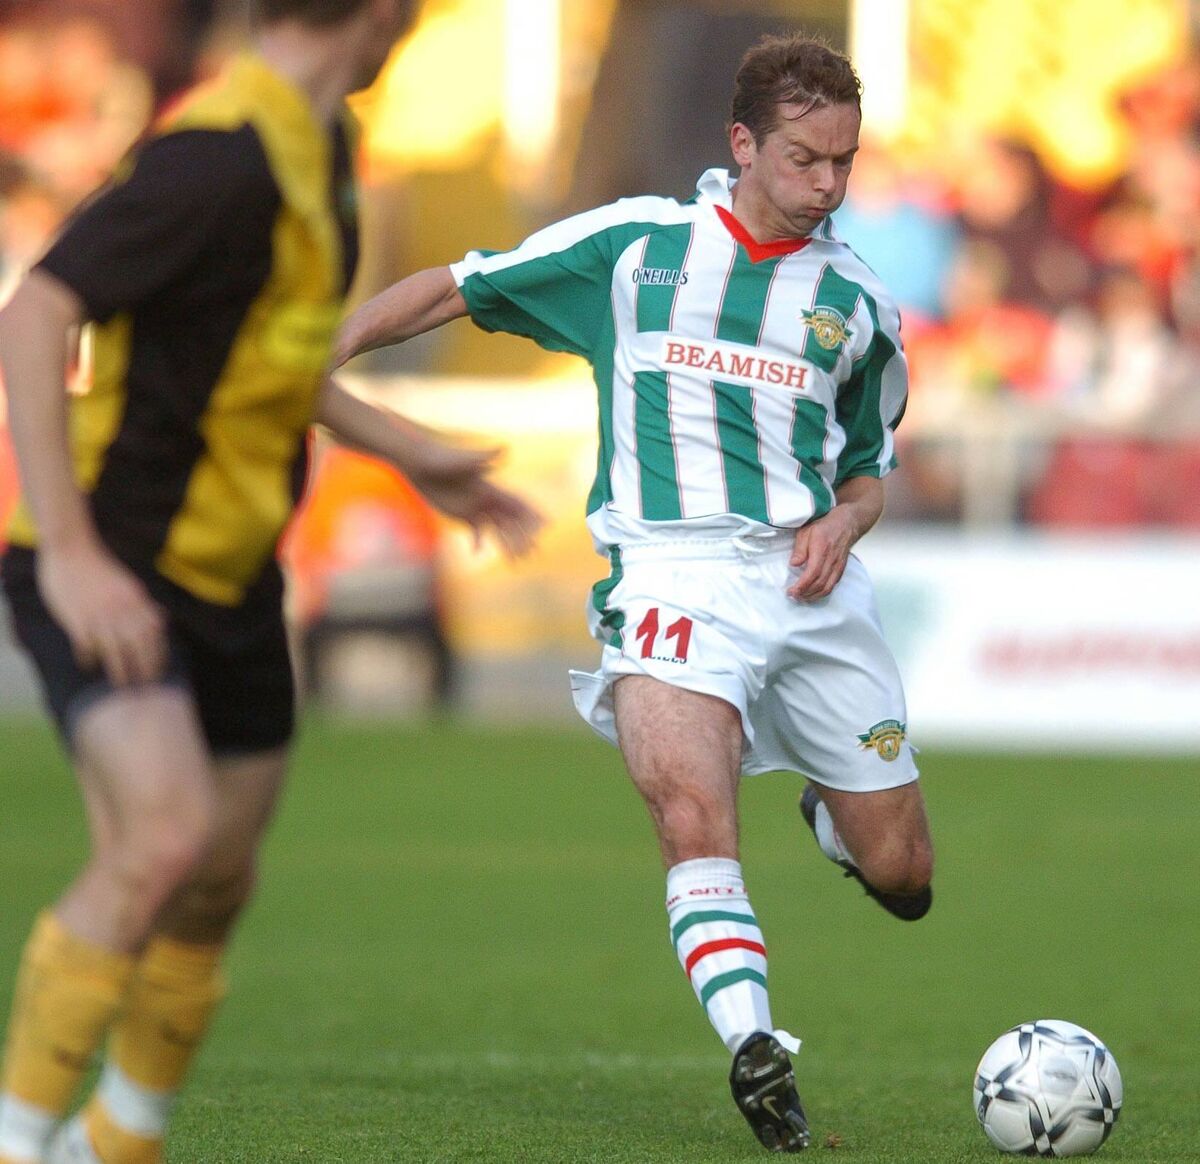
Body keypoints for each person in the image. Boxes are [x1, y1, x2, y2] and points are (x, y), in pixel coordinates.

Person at [334, 31, 934, 1154]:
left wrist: (846, 524)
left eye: (845, 163)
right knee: (689, 813)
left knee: (905, 878)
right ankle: (754, 1047)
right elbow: (456, 288)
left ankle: (834, 815)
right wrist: (321, 354)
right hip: (669, 575)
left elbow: (868, 470)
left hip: (809, 593)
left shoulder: (857, 308)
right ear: (743, 143)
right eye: (805, 159)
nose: (827, 186)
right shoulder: (634, 248)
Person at [0, 3, 540, 1162]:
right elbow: (37, 309)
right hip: (116, 554)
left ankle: (112, 1145)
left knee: (216, 881)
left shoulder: (324, 145)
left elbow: (269, 357)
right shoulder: (221, 156)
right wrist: (76, 553)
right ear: (382, 16)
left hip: (232, 573)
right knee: (163, 841)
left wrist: (412, 453)